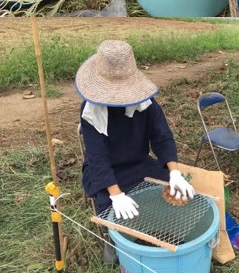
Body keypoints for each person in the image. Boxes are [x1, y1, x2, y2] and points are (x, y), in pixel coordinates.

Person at [76, 40, 195, 261]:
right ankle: (111, 240)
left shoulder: (146, 104)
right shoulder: (91, 110)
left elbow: (162, 137)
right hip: (104, 171)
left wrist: (175, 172)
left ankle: (154, 223)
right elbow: (97, 157)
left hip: (138, 162)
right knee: (108, 206)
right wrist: (117, 195)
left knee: (172, 190)